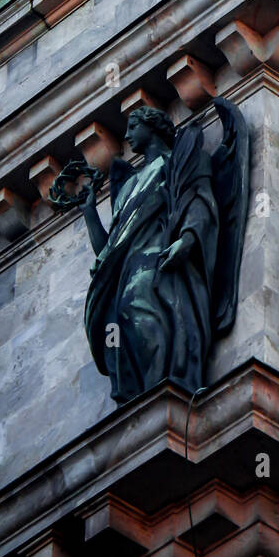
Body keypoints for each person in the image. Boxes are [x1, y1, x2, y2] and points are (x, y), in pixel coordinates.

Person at [81, 106, 219, 405]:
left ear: (152, 127)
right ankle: (141, 396)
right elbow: (108, 252)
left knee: (141, 307)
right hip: (127, 267)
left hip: (159, 256)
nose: (127, 134)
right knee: (121, 320)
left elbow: (199, 197)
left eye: (133, 126)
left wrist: (188, 237)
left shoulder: (178, 162)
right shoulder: (129, 184)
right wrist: (90, 213)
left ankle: (168, 383)